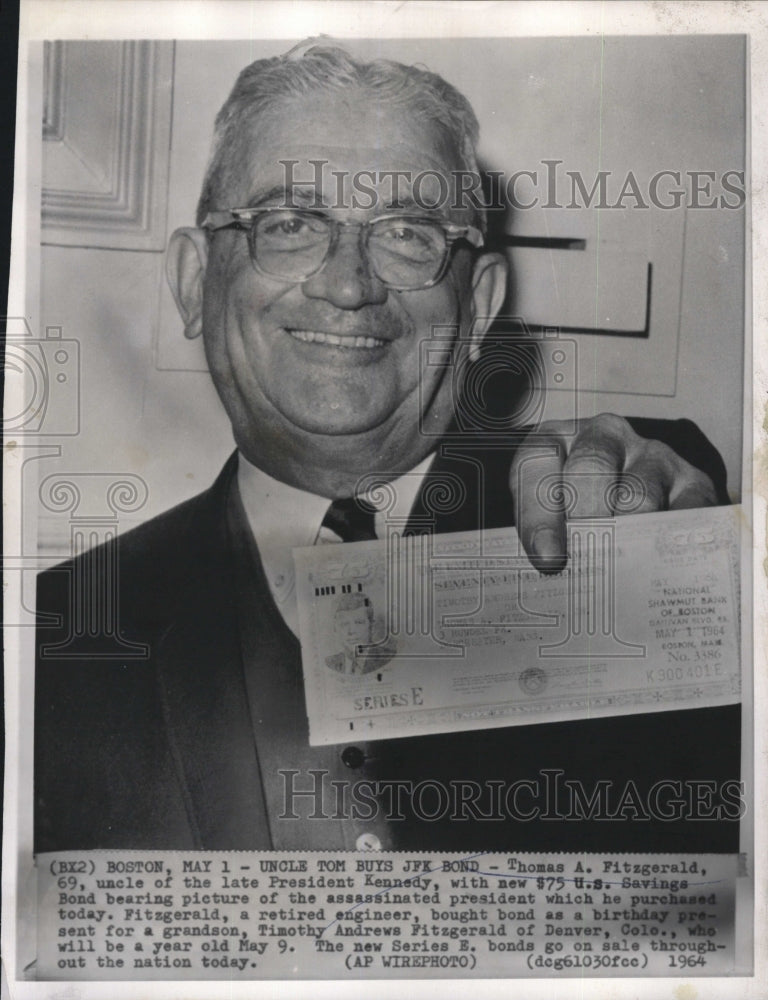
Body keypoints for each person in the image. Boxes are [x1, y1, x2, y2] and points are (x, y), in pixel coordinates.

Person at [35, 43, 737, 854]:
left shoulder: (618, 528)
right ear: (195, 281)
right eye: (288, 225)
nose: (347, 285)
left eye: (407, 234)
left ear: (478, 306)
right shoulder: (57, 636)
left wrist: (683, 542)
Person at [325, 593, 395, 676]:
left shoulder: (389, 658)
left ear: (371, 626)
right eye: (344, 624)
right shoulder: (329, 663)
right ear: (335, 629)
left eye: (359, 623)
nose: (351, 631)